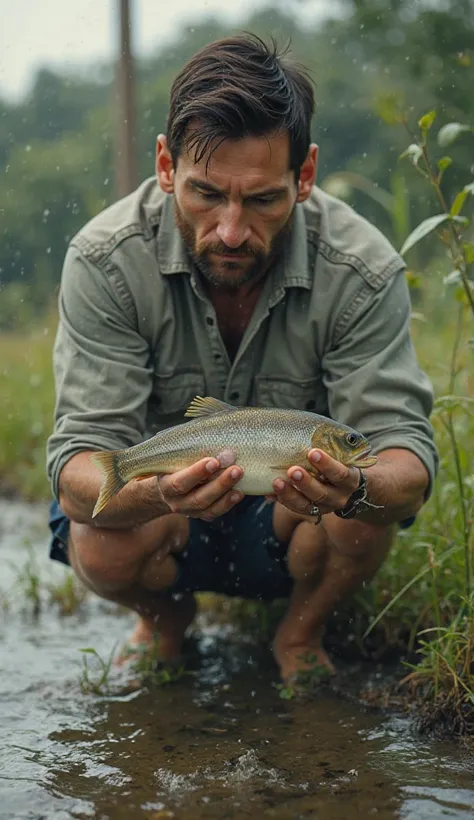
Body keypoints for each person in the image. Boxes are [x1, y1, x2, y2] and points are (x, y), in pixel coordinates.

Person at [47, 34, 437, 683]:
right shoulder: (104, 260)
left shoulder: (362, 269)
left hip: (291, 520)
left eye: (261, 199)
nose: (230, 230)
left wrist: (358, 487)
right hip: (165, 516)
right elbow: (79, 466)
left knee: (365, 517)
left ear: (304, 176)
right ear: (166, 166)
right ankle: (164, 626)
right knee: (96, 533)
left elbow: (407, 461)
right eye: (205, 194)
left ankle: (299, 635)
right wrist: (157, 493)